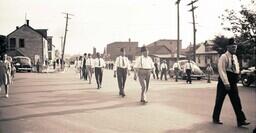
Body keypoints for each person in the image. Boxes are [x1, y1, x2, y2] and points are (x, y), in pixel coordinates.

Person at [212, 38, 250, 127]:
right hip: (224, 82)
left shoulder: (235, 57)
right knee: (219, 101)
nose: (234, 48)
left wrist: (238, 74)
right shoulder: (224, 56)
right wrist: (226, 83)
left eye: (235, 47)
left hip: (232, 81)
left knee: (236, 101)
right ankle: (215, 118)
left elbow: (236, 67)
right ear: (228, 47)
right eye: (232, 47)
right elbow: (221, 70)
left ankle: (241, 120)